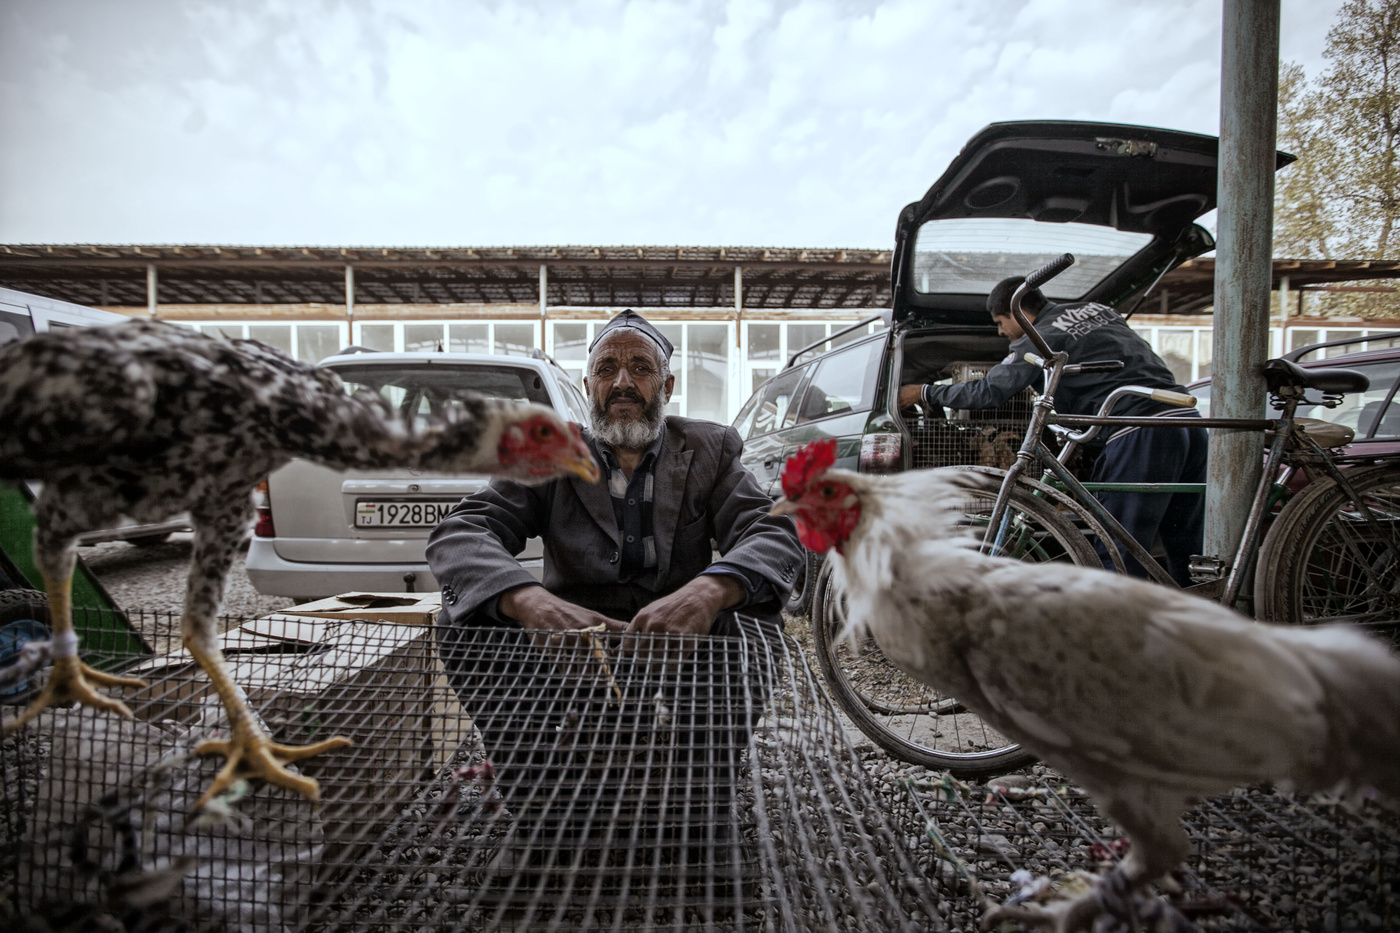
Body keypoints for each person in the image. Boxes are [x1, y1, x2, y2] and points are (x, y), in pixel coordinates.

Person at [427, 309, 803, 884]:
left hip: (681, 648)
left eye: (640, 368)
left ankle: (704, 814)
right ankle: (539, 815)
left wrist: (709, 590)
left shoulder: (712, 448)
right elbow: (462, 532)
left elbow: (773, 532)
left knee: (754, 619)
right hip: (571, 650)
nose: (623, 382)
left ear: (667, 385)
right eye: (607, 368)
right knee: (464, 622)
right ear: (588, 386)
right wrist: (529, 600)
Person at [899, 276, 1207, 587]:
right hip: (1188, 422)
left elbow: (989, 392)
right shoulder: (1098, 310)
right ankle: (1203, 608)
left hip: (1139, 430)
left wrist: (924, 393)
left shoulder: (1039, 337)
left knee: (1119, 545)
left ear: (1018, 313)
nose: (1000, 332)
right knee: (1186, 539)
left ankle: (1108, 626)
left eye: (1000, 322)